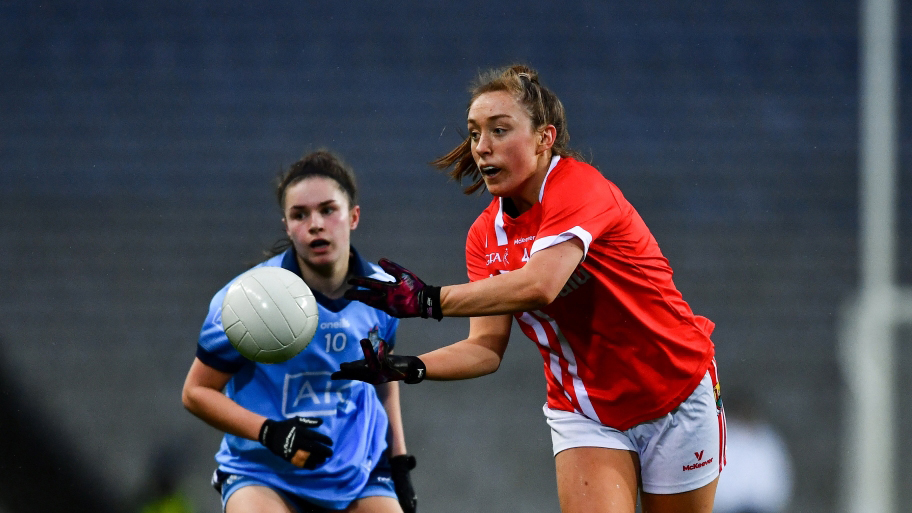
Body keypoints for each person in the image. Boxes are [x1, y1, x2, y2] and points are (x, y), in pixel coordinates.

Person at [333, 65, 725, 513]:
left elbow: (541, 285)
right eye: (475, 133)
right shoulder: (485, 237)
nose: (482, 147)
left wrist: (426, 300)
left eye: (499, 131)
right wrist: (406, 366)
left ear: (544, 138)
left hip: (673, 391)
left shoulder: (580, 186)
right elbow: (485, 348)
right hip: (585, 410)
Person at [182, 150, 418, 513]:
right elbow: (196, 392)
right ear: (286, 226)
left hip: (357, 473)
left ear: (353, 216)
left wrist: (398, 461)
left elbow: (382, 380)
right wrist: (270, 432)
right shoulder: (244, 301)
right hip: (264, 473)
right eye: (300, 214)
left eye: (328, 210)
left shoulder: (385, 293)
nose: (316, 224)